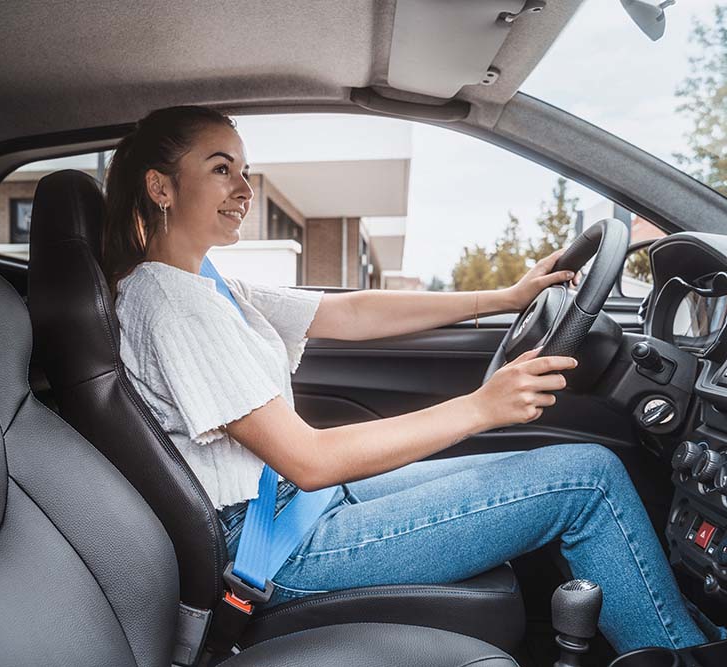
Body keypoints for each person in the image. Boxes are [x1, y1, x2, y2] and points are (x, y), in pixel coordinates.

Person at [102, 105, 725, 654]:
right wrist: (481, 408)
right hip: (279, 547)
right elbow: (310, 459)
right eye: (220, 169)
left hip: (292, 509)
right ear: (160, 185)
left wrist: (504, 297)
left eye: (244, 169)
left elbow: (347, 311)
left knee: (583, 466)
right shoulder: (169, 301)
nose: (243, 187)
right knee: (586, 480)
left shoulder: (207, 283)